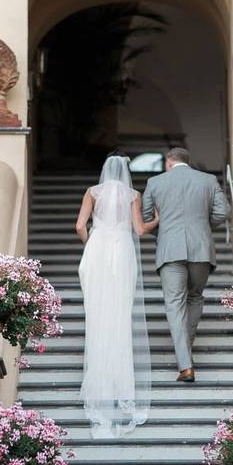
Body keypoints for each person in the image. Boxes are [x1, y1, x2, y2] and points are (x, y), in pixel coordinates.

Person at [75, 151, 158, 438]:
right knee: (120, 314)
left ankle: (98, 377)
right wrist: (155, 220)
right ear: (125, 170)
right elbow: (139, 230)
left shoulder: (92, 192)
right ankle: (120, 381)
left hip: (98, 248)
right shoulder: (132, 194)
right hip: (122, 250)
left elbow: (78, 226)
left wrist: (92, 243)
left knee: (98, 314)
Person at [141, 147, 229, 382]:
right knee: (195, 297)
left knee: (174, 304)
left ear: (169, 163)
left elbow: (147, 217)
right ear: (187, 162)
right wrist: (201, 228)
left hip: (170, 250)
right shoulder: (208, 180)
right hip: (201, 249)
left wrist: (166, 232)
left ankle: (185, 365)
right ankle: (185, 356)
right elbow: (222, 213)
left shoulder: (154, 182)